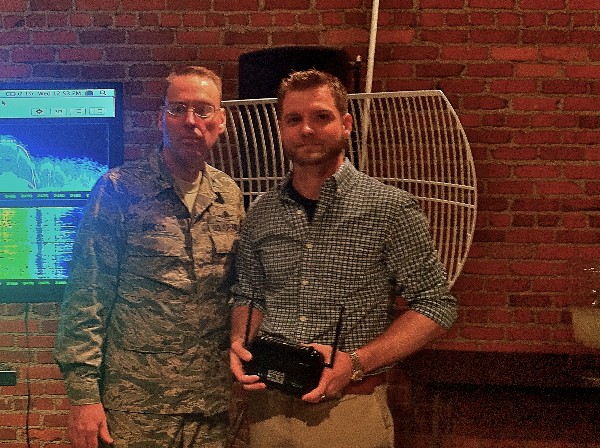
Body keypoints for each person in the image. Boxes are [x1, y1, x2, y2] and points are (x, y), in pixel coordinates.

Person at [229, 69, 457, 448]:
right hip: (267, 409)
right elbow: (249, 294)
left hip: (349, 410)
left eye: (321, 116)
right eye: (294, 119)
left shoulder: (391, 209)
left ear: (346, 123)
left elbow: (436, 305)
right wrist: (239, 341)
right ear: (281, 127)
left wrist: (357, 361)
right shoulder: (261, 213)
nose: (306, 130)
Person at [54, 65, 244, 448]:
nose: (191, 121)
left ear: (220, 121)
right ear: (161, 118)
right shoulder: (118, 190)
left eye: (203, 109)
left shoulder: (230, 195)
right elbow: (87, 296)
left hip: (211, 409)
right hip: (137, 410)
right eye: (178, 109)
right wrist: (83, 397)